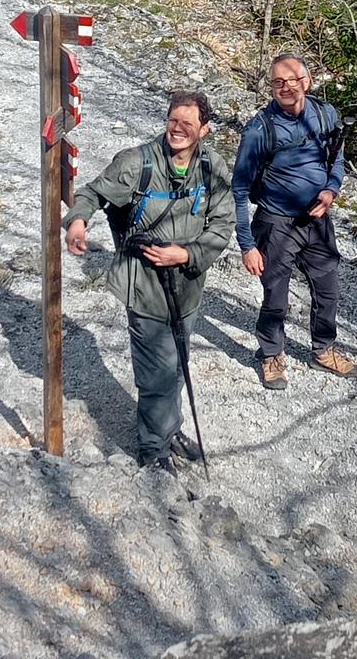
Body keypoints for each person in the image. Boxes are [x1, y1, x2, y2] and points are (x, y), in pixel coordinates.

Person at [64, 90, 234, 471]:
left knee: (177, 364)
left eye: (188, 124)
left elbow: (223, 224)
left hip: (187, 286)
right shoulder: (136, 163)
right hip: (143, 284)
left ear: (204, 130)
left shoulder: (213, 168)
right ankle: (152, 449)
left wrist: (187, 254)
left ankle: (169, 429)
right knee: (157, 371)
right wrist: (78, 220)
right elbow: (92, 193)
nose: (178, 129)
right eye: (173, 121)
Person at [233, 53, 357, 389]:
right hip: (275, 223)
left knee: (328, 289)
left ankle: (323, 349)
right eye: (278, 82)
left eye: (292, 79)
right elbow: (239, 188)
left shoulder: (325, 113)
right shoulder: (259, 129)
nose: (286, 87)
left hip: (317, 220)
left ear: (306, 81)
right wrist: (247, 244)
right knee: (276, 294)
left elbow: (336, 157)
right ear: (271, 87)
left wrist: (331, 191)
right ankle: (271, 353)